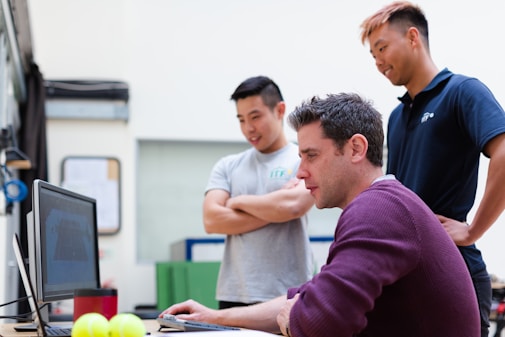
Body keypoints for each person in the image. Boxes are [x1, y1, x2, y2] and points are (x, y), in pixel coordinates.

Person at [161, 93, 480, 337]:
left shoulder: (377, 211)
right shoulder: (384, 204)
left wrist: (296, 318)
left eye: (311, 156)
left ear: (356, 149)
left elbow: (321, 322)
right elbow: (310, 296)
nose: (300, 173)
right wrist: (213, 317)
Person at [359, 2, 505, 336]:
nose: (378, 61)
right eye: (372, 55)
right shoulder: (396, 117)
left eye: (382, 48)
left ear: (413, 37)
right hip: (406, 277)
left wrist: (472, 231)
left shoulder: (462, 92)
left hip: (455, 272)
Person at [203, 75, 315, 309]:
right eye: (241, 120)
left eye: (255, 117)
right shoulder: (227, 165)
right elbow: (212, 219)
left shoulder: (303, 160)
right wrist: (274, 208)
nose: (248, 128)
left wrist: (237, 201)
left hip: (288, 293)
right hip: (234, 294)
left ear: (280, 110)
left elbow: (294, 206)